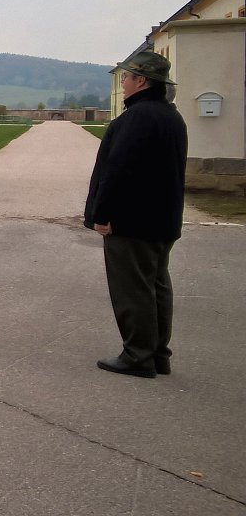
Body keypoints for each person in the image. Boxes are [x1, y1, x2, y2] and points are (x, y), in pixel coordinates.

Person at [85, 51, 186, 379]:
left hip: (131, 221)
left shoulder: (136, 118)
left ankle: (138, 355)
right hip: (162, 219)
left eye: (127, 78)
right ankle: (157, 354)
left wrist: (101, 213)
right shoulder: (171, 117)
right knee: (156, 286)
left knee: (133, 290)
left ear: (141, 81)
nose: (124, 83)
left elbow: (118, 170)